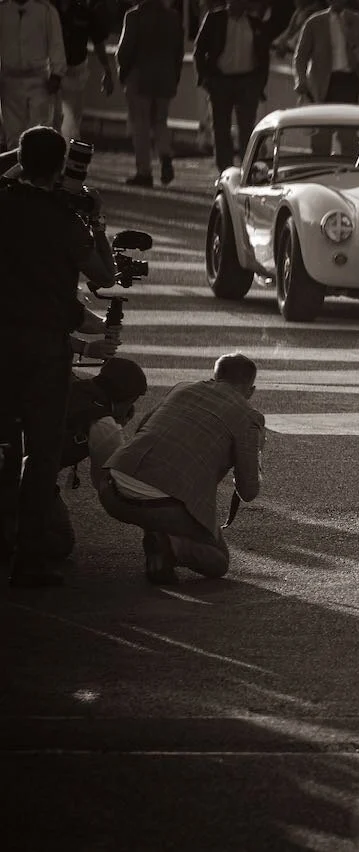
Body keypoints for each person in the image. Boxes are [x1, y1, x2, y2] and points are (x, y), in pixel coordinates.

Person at [0, 126, 117, 587]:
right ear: (59, 168)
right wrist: (98, 222)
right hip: (46, 349)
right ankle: (29, 558)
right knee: (41, 452)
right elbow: (104, 275)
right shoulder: (66, 220)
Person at [100, 354, 265, 585]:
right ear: (251, 390)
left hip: (112, 487)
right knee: (218, 560)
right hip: (162, 505)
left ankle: (160, 546)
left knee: (162, 482)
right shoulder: (249, 418)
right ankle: (169, 547)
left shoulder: (182, 388)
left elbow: (142, 429)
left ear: (214, 377)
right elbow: (248, 491)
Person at [45, 357, 149, 562]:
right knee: (59, 542)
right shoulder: (103, 424)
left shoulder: (74, 385)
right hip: (25, 477)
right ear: (127, 399)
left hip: (16, 457)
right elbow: (107, 480)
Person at [194, 0, 272, 172]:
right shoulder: (215, 19)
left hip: (247, 82)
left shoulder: (254, 23)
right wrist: (205, 78)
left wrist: (259, 85)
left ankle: (247, 170)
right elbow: (199, 50)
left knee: (247, 130)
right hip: (220, 80)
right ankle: (225, 170)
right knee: (221, 129)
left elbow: (264, 57)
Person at [116, 0, 184, 187]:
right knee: (161, 121)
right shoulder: (173, 17)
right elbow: (179, 51)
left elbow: (124, 51)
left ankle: (144, 172)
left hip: (139, 77)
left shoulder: (134, 16)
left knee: (141, 124)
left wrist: (123, 73)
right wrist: (174, 76)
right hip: (165, 77)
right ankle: (165, 155)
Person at [294, 0, 359, 155]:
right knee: (321, 135)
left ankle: (349, 172)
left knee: (348, 136)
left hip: (348, 82)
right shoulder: (314, 22)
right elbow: (300, 57)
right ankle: (320, 170)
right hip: (323, 84)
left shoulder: (357, 21)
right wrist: (301, 82)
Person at [0, 0, 66, 145]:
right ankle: (16, 166)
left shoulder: (46, 11)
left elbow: (56, 43)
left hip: (39, 80)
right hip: (9, 82)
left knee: (38, 131)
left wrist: (57, 73)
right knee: (13, 134)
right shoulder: (3, 10)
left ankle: (36, 165)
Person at [51, 0, 115, 141]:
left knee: (72, 120)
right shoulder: (49, 11)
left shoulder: (84, 14)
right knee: (51, 118)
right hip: (51, 72)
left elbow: (98, 43)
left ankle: (67, 155)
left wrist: (107, 71)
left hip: (75, 72)